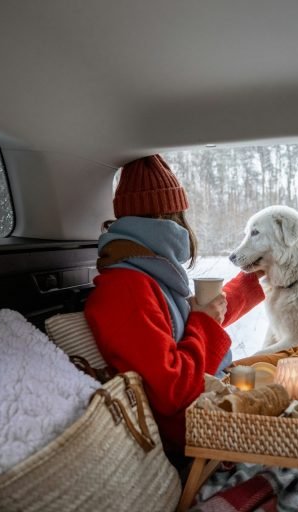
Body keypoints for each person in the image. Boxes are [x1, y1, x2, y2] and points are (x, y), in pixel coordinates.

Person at [84, 154, 265, 463]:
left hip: (212, 412)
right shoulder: (126, 289)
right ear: (172, 219)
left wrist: (250, 282)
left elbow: (187, 325)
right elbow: (174, 389)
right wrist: (203, 321)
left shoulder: (149, 273)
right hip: (197, 439)